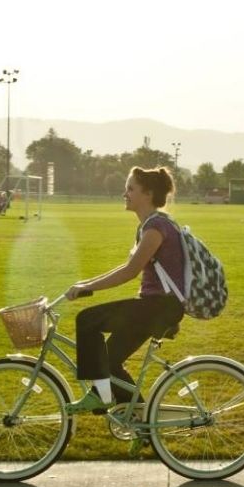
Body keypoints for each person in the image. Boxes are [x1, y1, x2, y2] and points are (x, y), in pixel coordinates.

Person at [64, 166, 186, 414]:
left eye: (131, 189)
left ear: (148, 194)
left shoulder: (155, 228)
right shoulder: (150, 225)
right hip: (155, 307)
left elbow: (130, 271)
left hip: (158, 308)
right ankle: (140, 421)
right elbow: (126, 266)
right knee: (108, 363)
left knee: (87, 320)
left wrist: (88, 287)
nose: (125, 194)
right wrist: (85, 284)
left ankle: (101, 395)